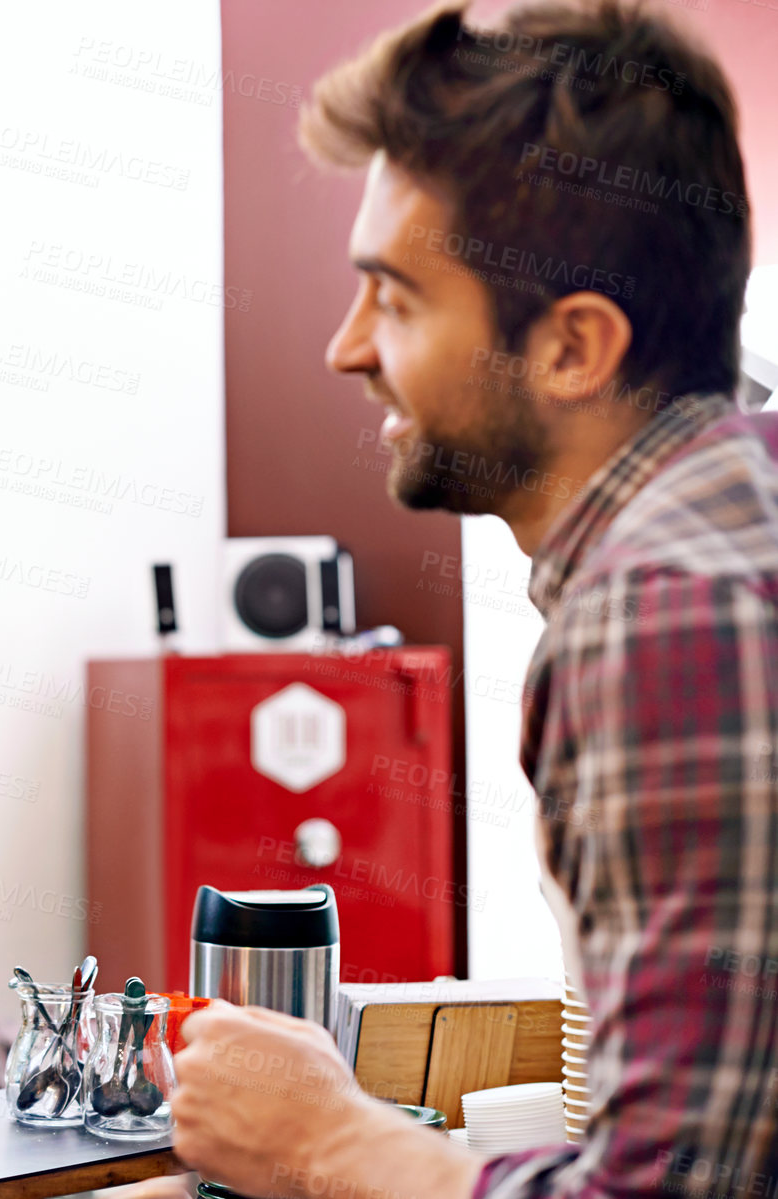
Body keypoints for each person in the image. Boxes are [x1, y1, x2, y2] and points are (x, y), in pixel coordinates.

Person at [145, 2, 778, 1196]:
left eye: (393, 296)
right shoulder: (730, 522)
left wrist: (325, 1139)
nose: (343, 347)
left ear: (569, 347)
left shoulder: (663, 610)